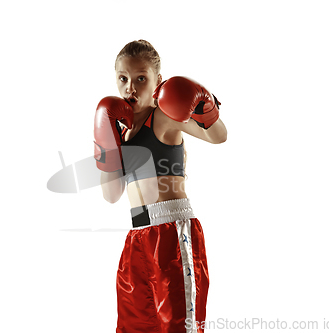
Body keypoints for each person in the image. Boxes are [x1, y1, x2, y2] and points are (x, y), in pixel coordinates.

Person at [93, 39, 227, 333]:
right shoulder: (120, 129)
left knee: (178, 327)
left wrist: (206, 102)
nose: (131, 87)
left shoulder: (164, 116)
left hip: (171, 231)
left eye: (141, 78)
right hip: (137, 237)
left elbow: (218, 136)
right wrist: (107, 143)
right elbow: (111, 195)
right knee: (134, 327)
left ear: (158, 83)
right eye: (124, 78)